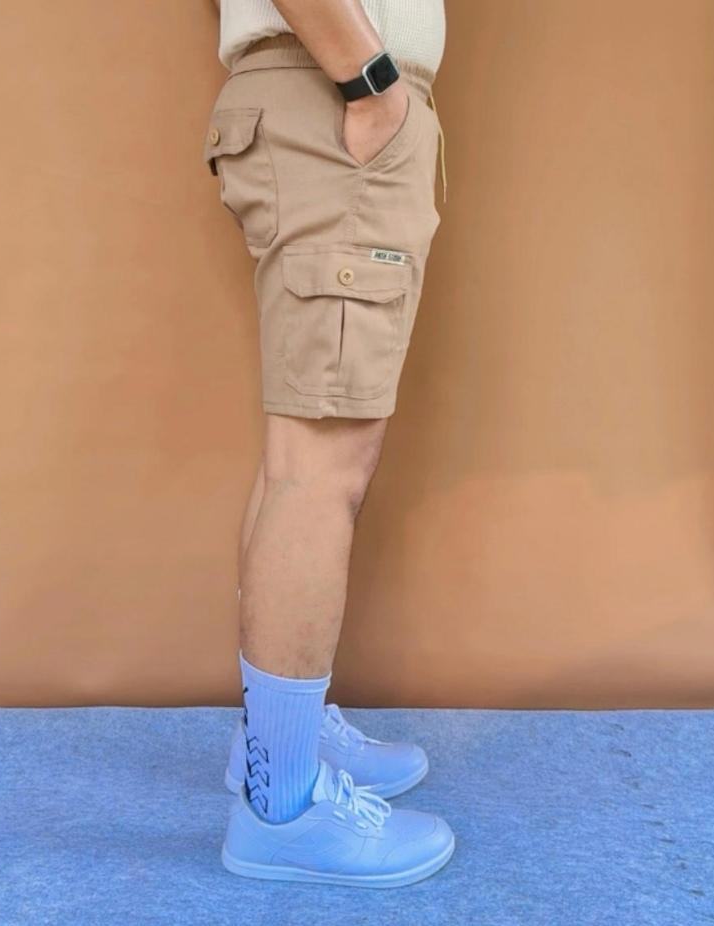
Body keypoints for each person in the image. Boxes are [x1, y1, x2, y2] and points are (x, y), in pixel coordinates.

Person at [204, 0, 453, 887]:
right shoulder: (356, 88)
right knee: (319, 468)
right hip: (335, 96)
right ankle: (283, 810)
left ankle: (280, 743)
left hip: (323, 96)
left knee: (298, 458)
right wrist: (372, 83)